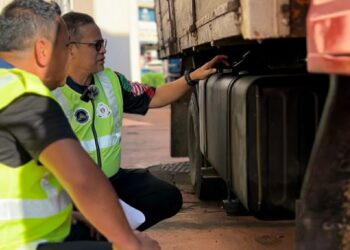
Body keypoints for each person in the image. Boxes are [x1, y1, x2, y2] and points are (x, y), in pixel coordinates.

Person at [0, 1, 160, 250]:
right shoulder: (25, 96)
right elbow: (82, 179)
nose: (69, 56)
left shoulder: (5, 85)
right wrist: (130, 243)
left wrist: (73, 215)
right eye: (66, 47)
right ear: (43, 52)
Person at [53, 11, 228, 233]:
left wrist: (192, 77)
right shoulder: (52, 94)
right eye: (96, 45)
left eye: (103, 43)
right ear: (71, 48)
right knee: (73, 228)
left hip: (112, 181)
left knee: (168, 197)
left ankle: (118, 233)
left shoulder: (112, 81)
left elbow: (155, 96)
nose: (104, 50)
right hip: (72, 190)